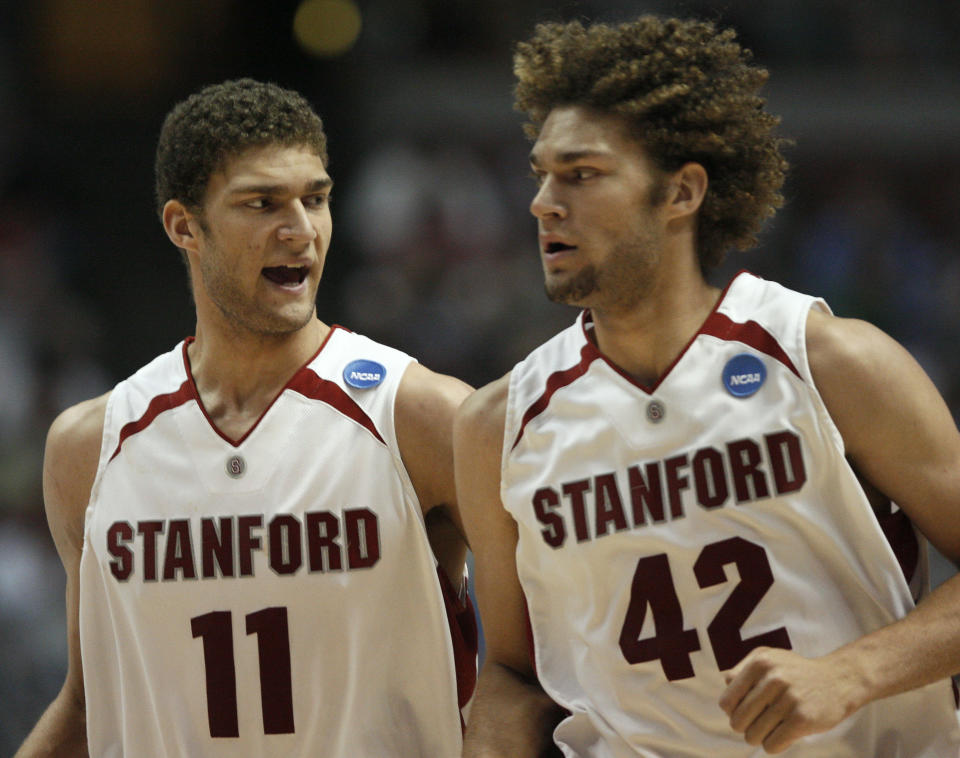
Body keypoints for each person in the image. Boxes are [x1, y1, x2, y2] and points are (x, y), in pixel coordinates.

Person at [455, 15, 960, 758]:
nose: (544, 202)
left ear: (682, 191)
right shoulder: (498, 424)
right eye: (541, 175)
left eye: (582, 174)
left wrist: (850, 674)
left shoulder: (827, 360)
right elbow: (513, 669)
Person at [16, 78, 476, 757]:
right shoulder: (91, 449)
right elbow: (89, 703)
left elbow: (526, 670)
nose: (300, 229)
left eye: (315, 199)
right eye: (263, 203)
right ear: (184, 226)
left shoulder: (421, 415)